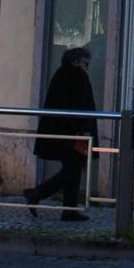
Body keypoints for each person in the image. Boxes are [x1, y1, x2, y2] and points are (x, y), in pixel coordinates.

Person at [26, 46, 98, 222]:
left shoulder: (62, 73)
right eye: (86, 63)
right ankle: (37, 193)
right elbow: (79, 105)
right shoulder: (76, 75)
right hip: (71, 132)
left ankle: (69, 209)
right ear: (77, 61)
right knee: (72, 170)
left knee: (73, 168)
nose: (87, 67)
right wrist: (82, 130)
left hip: (62, 131)